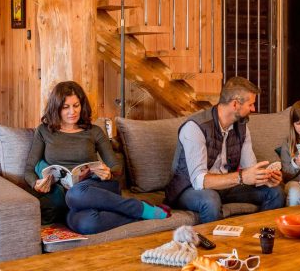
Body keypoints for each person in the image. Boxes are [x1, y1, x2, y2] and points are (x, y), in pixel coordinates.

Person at [24, 81, 170, 234]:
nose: (72, 112)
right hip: (68, 199)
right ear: (56, 108)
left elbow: (116, 166)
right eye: (65, 107)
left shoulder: (94, 131)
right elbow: (29, 169)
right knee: (87, 224)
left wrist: (109, 172)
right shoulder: (44, 131)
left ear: (82, 105)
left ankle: (138, 207)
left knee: (76, 193)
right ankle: (137, 214)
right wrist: (36, 183)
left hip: (95, 188)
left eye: (76, 105)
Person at [165, 76, 285, 223]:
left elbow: (250, 169)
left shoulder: (242, 127)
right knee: (210, 200)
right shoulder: (195, 127)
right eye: (251, 104)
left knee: (275, 192)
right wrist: (241, 177)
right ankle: (218, 246)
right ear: (235, 104)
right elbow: (199, 181)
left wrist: (265, 178)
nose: (254, 109)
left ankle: (258, 238)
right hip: (188, 189)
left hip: (227, 185)